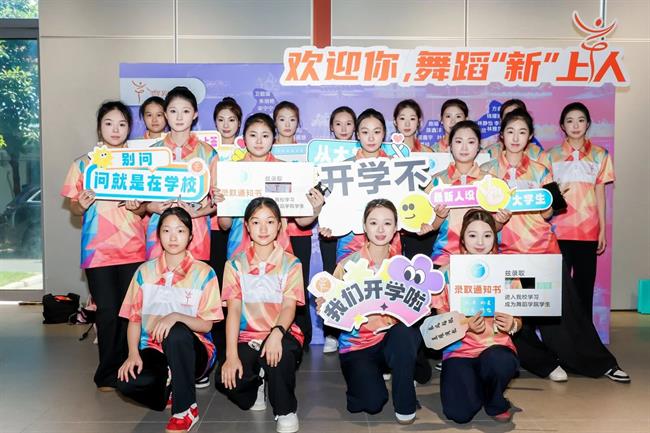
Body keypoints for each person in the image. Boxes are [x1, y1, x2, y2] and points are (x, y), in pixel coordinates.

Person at [481, 108, 630, 383]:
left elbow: (550, 212)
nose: (516, 137)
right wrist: (498, 221)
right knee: (509, 316)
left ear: (530, 137)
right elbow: (484, 221)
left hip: (541, 250)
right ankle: (545, 363)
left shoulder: (541, 169)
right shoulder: (488, 172)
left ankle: (599, 363)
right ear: (501, 136)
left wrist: (545, 205)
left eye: (522, 132)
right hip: (506, 253)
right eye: (510, 131)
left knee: (561, 314)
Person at [219, 112, 325, 350]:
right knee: (240, 307)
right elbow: (224, 225)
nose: (259, 141)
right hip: (240, 251)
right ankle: (240, 353)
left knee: (279, 304)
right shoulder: (231, 171)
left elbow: (302, 220)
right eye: (253, 135)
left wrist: (316, 208)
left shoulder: (286, 171)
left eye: (265, 135)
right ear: (243, 138)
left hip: (278, 253)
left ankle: (278, 349)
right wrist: (221, 203)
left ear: (273, 138)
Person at [61, 100, 146, 391]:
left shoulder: (138, 163)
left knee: (128, 311)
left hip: (133, 247)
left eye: (122, 124)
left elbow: (143, 209)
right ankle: (107, 373)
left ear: (129, 128)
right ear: (100, 127)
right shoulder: (83, 164)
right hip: (98, 250)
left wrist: (137, 206)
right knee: (107, 310)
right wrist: (82, 204)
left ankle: (128, 366)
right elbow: (74, 208)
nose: (115, 129)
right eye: (109, 123)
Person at [117, 207, 223, 433]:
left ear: (191, 236)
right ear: (158, 235)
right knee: (126, 382)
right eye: (166, 230)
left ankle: (185, 409)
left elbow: (207, 324)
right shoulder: (144, 272)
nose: (173, 237)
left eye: (180, 231)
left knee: (176, 332)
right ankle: (169, 386)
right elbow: (134, 319)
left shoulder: (204, 273)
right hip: (154, 348)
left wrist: (175, 316)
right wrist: (133, 354)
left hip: (195, 350)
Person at [323, 199, 422, 425]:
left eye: (387, 223)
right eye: (373, 222)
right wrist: (325, 305)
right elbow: (332, 308)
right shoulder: (348, 265)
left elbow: (417, 307)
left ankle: (405, 403)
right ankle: (365, 378)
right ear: (364, 227)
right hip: (357, 344)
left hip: (391, 340)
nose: (380, 229)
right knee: (371, 403)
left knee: (405, 334)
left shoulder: (405, 267)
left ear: (396, 228)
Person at [217, 197, 304, 433]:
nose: (263, 229)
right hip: (248, 336)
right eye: (256, 222)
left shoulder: (291, 263)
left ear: (280, 225)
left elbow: (289, 307)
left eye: (270, 222)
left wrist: (276, 333)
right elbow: (234, 310)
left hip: (282, 332)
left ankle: (285, 410)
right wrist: (231, 355)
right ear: (246, 226)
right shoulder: (234, 265)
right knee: (227, 378)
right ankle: (256, 382)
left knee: (279, 354)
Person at [433, 209, 521, 424]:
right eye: (472, 235)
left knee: (499, 361)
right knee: (459, 414)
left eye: (487, 235)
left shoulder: (507, 271)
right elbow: (441, 323)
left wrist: (513, 324)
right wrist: (464, 324)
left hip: (495, 347)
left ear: (494, 237)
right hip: (459, 351)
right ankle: (476, 386)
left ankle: (495, 400)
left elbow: (518, 320)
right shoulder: (446, 273)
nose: (480, 242)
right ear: (463, 239)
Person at [540, 102, 614, 320]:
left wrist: (602, 230)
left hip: (588, 231)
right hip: (558, 231)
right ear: (562, 125)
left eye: (580, 120)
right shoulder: (550, 156)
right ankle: (562, 338)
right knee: (559, 290)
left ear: (588, 124)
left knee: (584, 289)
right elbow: (546, 198)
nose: (575, 125)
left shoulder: (600, 155)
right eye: (570, 121)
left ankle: (585, 337)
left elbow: (600, 193)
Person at [145, 86, 220, 263]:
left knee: (195, 279)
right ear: (165, 114)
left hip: (196, 233)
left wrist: (197, 212)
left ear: (195, 114)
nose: (179, 117)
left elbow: (219, 199)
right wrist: (152, 207)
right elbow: (141, 199)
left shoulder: (208, 153)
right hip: (160, 232)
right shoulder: (152, 153)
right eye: (173, 111)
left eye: (185, 111)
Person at [422, 120, 510, 266]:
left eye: (470, 142)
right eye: (458, 141)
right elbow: (429, 225)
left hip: (482, 257)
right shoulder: (436, 182)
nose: (464, 147)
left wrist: (500, 221)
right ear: (450, 145)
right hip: (445, 257)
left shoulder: (492, 182)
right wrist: (439, 216)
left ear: (478, 146)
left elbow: (494, 227)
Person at [321, 106, 357, 354]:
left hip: (357, 229)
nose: (343, 129)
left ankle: (356, 329)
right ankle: (331, 332)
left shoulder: (365, 155)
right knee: (332, 277)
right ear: (331, 127)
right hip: (331, 226)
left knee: (358, 277)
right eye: (338, 124)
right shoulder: (322, 155)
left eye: (348, 124)